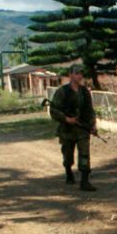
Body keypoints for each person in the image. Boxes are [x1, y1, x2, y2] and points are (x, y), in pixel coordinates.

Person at [49, 63, 97, 191]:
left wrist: (93, 125)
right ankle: (68, 172)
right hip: (67, 131)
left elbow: (90, 110)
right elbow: (53, 110)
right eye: (77, 73)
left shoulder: (85, 92)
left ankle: (85, 181)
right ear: (70, 75)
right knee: (68, 155)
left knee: (85, 154)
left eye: (81, 73)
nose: (80, 76)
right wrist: (66, 119)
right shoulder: (62, 92)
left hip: (83, 129)